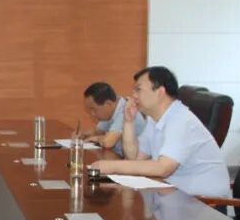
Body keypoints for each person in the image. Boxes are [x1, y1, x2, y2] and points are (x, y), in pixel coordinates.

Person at [90, 66, 230, 198]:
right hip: (176, 195)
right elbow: (134, 157)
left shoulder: (181, 120)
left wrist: (113, 166)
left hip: (205, 204)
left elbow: (164, 168)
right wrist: (128, 121)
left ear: (160, 92)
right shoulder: (155, 120)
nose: (134, 96)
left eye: (138, 89)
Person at [82, 82, 145, 156]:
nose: (92, 113)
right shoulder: (111, 110)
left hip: (138, 160)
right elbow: (97, 132)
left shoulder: (125, 110)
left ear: (108, 104)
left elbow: (108, 142)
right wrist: (82, 135)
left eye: (94, 109)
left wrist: (97, 138)